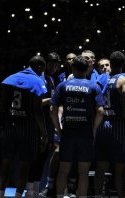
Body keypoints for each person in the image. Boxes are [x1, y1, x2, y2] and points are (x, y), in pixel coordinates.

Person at [50, 56, 104, 198]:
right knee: (83, 172)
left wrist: (59, 129)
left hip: (68, 133)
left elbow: (52, 110)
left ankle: (60, 196)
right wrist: (93, 129)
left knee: (63, 170)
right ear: (87, 69)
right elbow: (100, 111)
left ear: (72, 69)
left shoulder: (63, 85)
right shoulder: (94, 86)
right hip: (86, 133)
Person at [0, 55, 48, 198]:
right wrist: (44, 133)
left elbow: (3, 106)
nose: (42, 73)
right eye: (42, 69)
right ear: (39, 67)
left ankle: (0, 195)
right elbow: (38, 110)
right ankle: (18, 196)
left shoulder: (10, 78)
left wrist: (2, 127)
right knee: (25, 164)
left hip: (11, 125)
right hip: (28, 128)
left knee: (6, 162)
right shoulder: (37, 81)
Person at [94, 51, 125, 198]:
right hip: (118, 126)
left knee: (100, 167)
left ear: (110, 64)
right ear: (124, 63)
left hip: (102, 124)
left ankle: (97, 196)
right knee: (119, 169)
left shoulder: (101, 79)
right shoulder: (123, 80)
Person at [26, 52, 61, 198]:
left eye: (56, 63)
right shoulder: (37, 79)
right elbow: (35, 103)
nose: (54, 66)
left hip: (48, 124)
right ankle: (29, 189)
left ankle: (35, 188)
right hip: (37, 124)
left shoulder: (51, 79)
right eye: (51, 63)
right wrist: (53, 99)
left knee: (43, 158)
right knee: (34, 157)